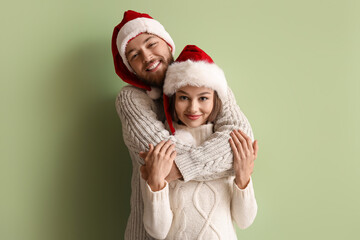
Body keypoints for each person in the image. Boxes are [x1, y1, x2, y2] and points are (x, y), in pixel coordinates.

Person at [111, 10, 255, 239]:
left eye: (151, 44)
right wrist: (226, 159)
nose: (147, 56)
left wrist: (175, 170)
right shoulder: (131, 99)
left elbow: (241, 140)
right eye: (134, 55)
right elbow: (156, 157)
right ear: (129, 67)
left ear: (168, 44)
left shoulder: (206, 78)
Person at [140, 45, 258, 239]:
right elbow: (157, 231)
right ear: (172, 99)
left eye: (203, 98)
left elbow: (245, 220)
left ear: (215, 100)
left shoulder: (227, 147)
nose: (193, 108)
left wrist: (243, 177)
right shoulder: (162, 149)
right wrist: (155, 182)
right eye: (184, 98)